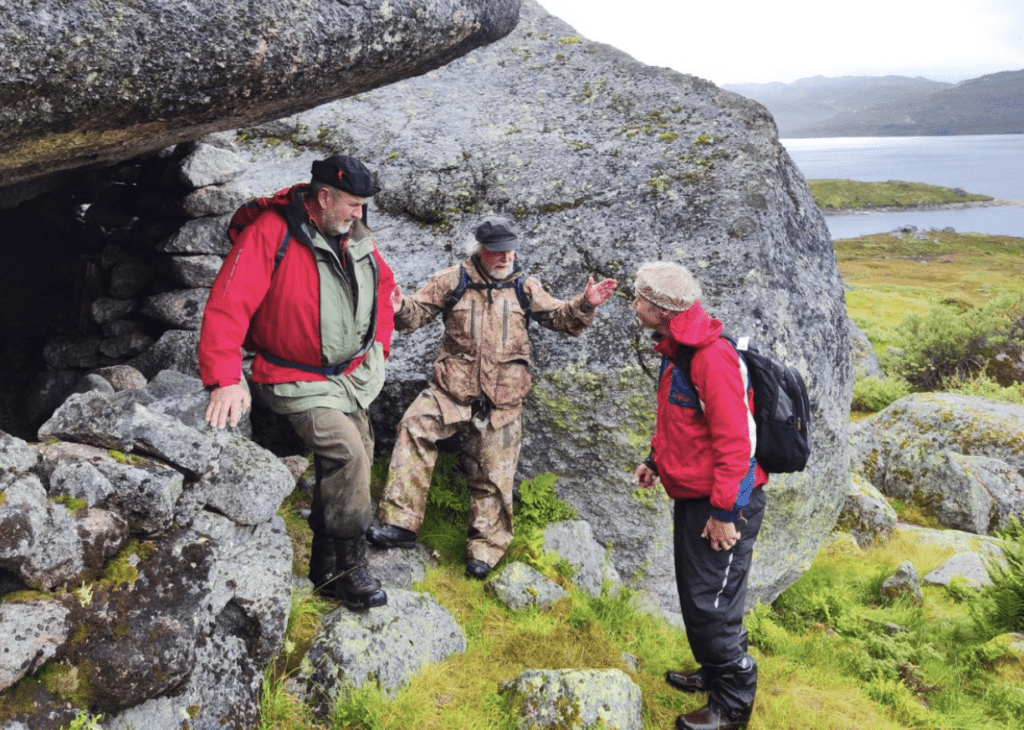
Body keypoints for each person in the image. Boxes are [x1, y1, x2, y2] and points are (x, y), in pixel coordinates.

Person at [366, 215, 617, 579]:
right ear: (479, 251)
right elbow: (415, 315)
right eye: (496, 252)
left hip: (502, 400)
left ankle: (484, 551)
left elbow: (561, 319)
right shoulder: (452, 279)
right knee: (414, 426)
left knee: (494, 474)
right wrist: (399, 306)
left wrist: (585, 303)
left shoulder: (525, 288)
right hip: (450, 392)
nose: (504, 258)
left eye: (509, 251)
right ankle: (400, 525)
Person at [199, 154, 396, 612]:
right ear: (323, 197)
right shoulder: (272, 231)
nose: (359, 214)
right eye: (352, 204)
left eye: (363, 206)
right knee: (347, 453)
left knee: (361, 455)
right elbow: (227, 305)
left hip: (349, 377)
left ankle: (324, 568)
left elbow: (384, 289)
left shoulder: (353, 231)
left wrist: (379, 346)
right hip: (292, 378)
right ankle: (351, 565)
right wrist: (225, 379)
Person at [630, 261, 768, 730]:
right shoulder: (679, 350)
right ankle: (714, 674)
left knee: (713, 605)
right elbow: (683, 422)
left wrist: (726, 512)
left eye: (640, 298)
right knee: (697, 596)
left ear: (662, 309)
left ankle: (732, 705)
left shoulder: (710, 356)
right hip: (697, 495)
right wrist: (655, 459)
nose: (634, 304)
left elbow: (737, 443)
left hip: (727, 503)